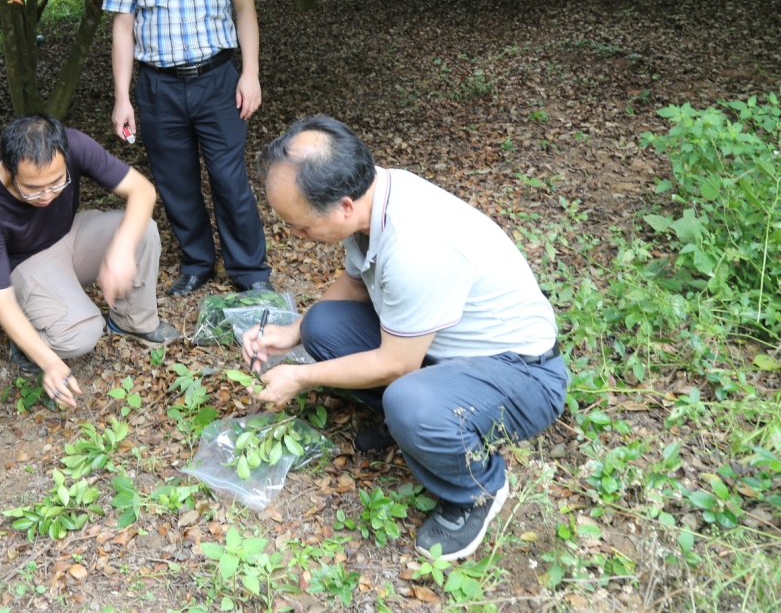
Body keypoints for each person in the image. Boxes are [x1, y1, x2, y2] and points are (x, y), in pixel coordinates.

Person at [242, 116, 567, 562]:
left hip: (522, 373)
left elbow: (397, 363)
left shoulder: (417, 248)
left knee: (409, 401)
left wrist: (300, 376)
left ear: (343, 206)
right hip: (441, 349)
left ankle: (476, 490)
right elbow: (355, 283)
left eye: (301, 227)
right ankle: (417, 425)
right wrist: (293, 331)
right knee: (320, 325)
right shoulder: (375, 196)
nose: (296, 236)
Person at [103, 0, 271, 296]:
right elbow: (123, 26)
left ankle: (250, 273)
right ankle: (197, 262)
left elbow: (245, 9)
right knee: (175, 184)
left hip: (218, 80)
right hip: (158, 89)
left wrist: (250, 73)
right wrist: (123, 97)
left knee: (228, 178)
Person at [0, 115, 179, 408]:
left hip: (70, 234)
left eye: (57, 182)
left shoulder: (72, 144)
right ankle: (29, 344)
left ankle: (133, 321)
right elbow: (0, 301)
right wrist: (51, 363)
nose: (47, 196)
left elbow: (142, 190)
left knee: (142, 230)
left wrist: (121, 250)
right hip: (28, 264)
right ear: (8, 169)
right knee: (82, 334)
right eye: (33, 188)